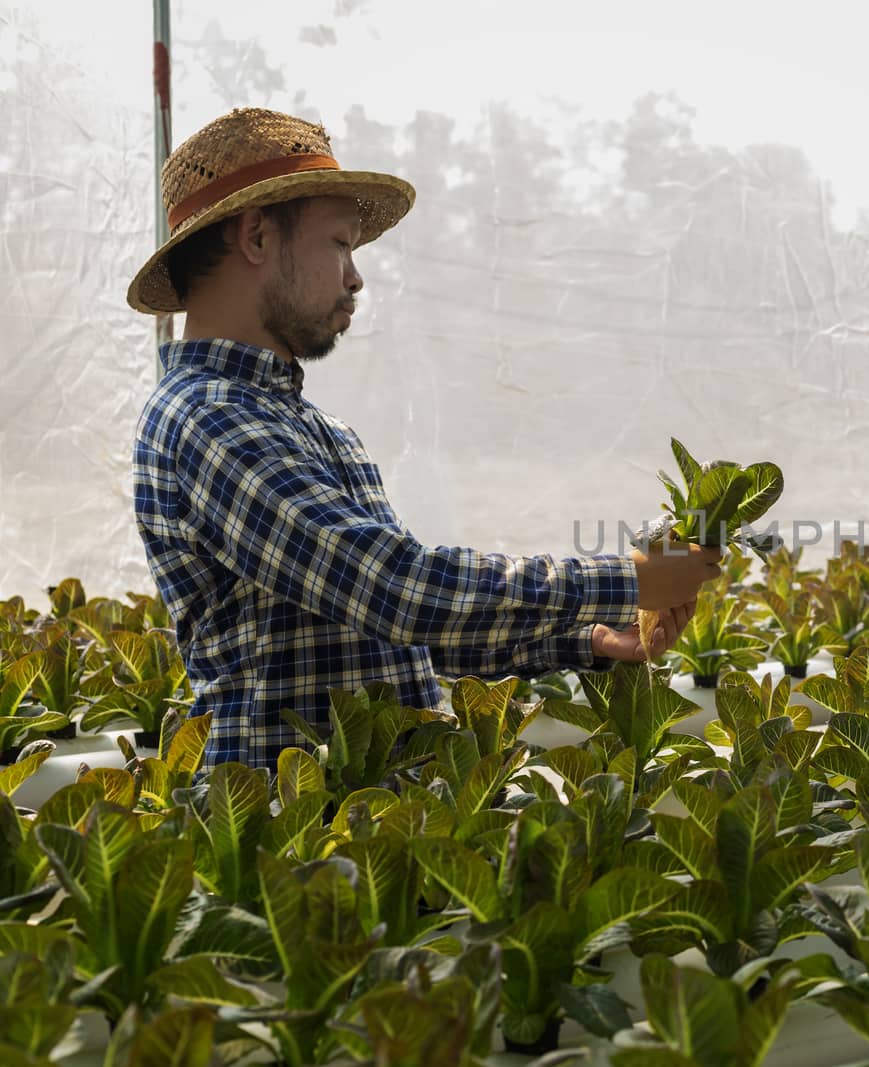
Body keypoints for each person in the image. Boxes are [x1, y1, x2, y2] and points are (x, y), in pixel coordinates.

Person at [125, 108, 719, 769]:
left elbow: (396, 636)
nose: (356, 276)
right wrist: (628, 581)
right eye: (340, 243)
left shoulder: (316, 431)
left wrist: (587, 639)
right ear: (258, 235)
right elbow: (396, 587)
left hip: (371, 827)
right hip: (291, 842)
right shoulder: (205, 421)